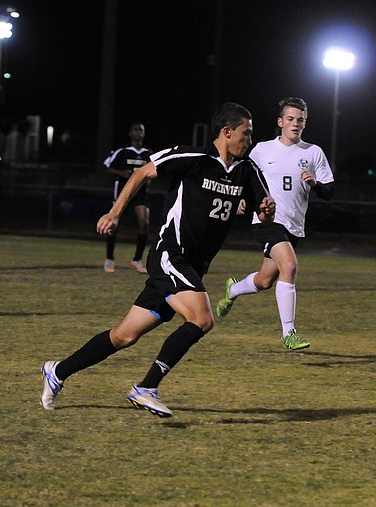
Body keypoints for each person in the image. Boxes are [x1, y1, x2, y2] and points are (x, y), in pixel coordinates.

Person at [40, 102, 275, 417]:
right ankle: (146, 387)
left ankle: (57, 371)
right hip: (170, 254)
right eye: (246, 134)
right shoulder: (192, 158)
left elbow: (262, 207)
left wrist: (265, 209)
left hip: (192, 267)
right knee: (202, 319)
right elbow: (141, 173)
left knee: (124, 336)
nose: (249, 141)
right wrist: (114, 213)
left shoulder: (248, 170)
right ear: (227, 131)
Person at [214, 97, 334, 350]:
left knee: (265, 281)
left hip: (294, 225)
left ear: (305, 123)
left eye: (300, 120)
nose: (295, 124)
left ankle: (234, 290)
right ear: (280, 122)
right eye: (290, 119)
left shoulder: (313, 153)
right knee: (289, 266)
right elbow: (241, 176)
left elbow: (329, 192)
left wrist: (315, 184)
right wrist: (239, 199)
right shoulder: (261, 150)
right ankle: (288, 333)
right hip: (267, 219)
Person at [103, 122, 152, 274]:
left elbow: (154, 169)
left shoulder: (148, 153)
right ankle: (109, 259)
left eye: (141, 130)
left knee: (144, 224)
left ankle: (136, 260)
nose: (139, 132)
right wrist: (121, 173)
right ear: (130, 134)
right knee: (114, 225)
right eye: (136, 130)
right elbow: (107, 166)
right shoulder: (122, 151)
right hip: (123, 192)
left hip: (141, 193)